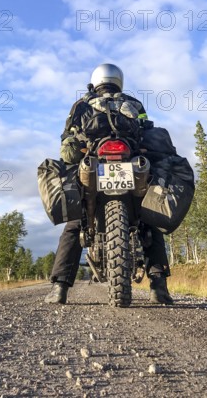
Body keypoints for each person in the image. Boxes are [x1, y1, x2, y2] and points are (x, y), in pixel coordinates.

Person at [44, 63, 174, 305]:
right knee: (150, 221)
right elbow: (147, 128)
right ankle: (159, 287)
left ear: (96, 81)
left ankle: (59, 288)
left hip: (93, 162)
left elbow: (67, 136)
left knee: (74, 224)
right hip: (133, 163)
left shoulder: (81, 104)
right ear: (118, 81)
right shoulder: (134, 103)